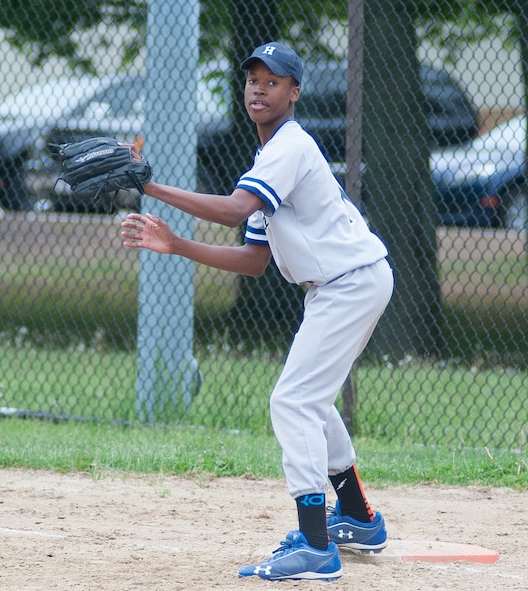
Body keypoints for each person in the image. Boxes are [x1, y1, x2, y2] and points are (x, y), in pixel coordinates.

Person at [120, 41, 393, 581]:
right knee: (310, 399)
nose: (259, 89)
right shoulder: (268, 158)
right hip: (344, 285)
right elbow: (252, 259)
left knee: (292, 402)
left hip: (351, 283)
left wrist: (149, 186)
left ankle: (317, 546)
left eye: (273, 81)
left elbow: (236, 209)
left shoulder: (289, 147)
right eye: (252, 80)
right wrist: (176, 246)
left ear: (294, 93)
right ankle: (358, 518)